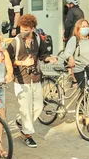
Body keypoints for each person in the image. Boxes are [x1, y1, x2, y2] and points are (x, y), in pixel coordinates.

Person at [6, 14, 57, 148]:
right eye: (21, 28)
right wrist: (23, 62)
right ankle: (27, 135)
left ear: (32, 28)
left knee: (39, 106)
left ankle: (20, 120)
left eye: (26, 29)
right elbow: (8, 59)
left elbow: (43, 54)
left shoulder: (38, 39)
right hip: (21, 80)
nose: (23, 31)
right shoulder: (16, 42)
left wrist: (49, 59)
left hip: (35, 78)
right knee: (25, 108)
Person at [61, 18, 89, 87]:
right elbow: (67, 52)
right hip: (79, 69)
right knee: (85, 89)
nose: (86, 28)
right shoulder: (74, 39)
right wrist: (70, 58)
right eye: (83, 27)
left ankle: (86, 97)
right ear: (78, 29)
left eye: (87, 26)